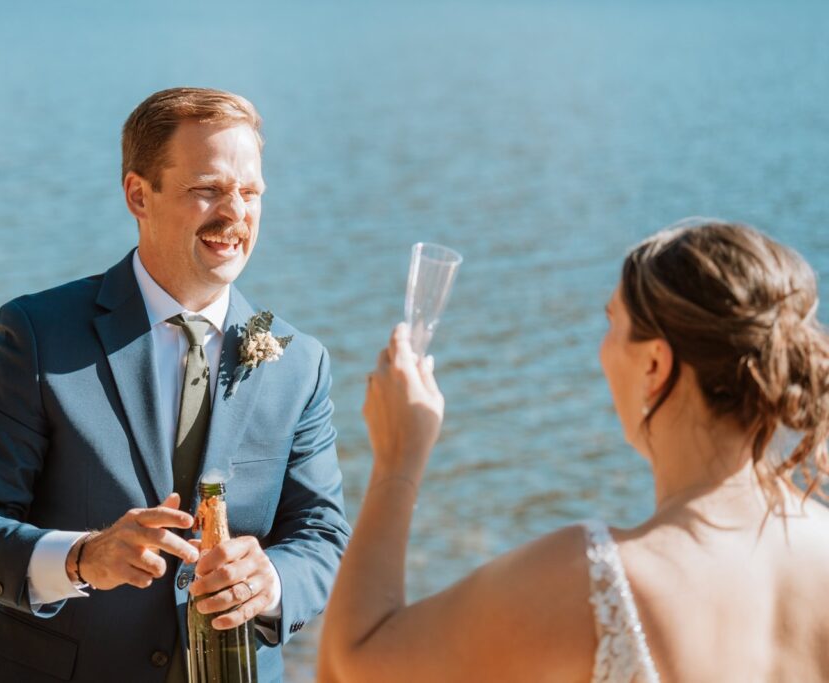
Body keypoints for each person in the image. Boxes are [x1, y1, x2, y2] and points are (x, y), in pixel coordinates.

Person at [0, 87, 350, 683]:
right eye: (208, 188)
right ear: (138, 195)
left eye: (250, 191)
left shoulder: (299, 361)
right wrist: (81, 560)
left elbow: (320, 534)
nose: (235, 213)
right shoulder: (37, 334)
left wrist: (272, 581)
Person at [318, 219, 829, 682]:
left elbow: (349, 664)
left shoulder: (595, 582)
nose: (602, 348)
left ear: (655, 365)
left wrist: (397, 460)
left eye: (612, 323)